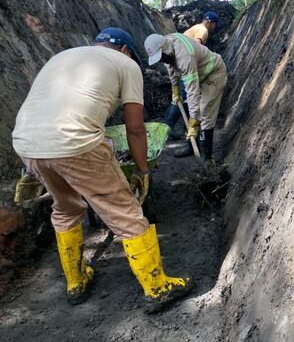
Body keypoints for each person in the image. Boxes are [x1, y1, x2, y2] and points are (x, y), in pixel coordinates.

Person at [12, 27, 193, 312]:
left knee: (65, 209)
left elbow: (43, 109)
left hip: (27, 145)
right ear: (125, 50)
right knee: (125, 212)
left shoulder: (62, 57)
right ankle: (157, 287)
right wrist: (142, 171)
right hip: (76, 143)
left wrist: (30, 167)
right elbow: (135, 128)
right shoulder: (126, 64)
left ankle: (76, 282)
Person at [144, 32, 227, 162]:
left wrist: (193, 124)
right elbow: (171, 67)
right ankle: (191, 147)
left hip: (213, 74)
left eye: (161, 57)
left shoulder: (185, 56)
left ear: (165, 50)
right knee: (190, 108)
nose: (161, 61)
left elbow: (192, 92)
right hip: (199, 74)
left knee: (205, 113)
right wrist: (175, 89)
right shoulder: (167, 47)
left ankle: (206, 158)